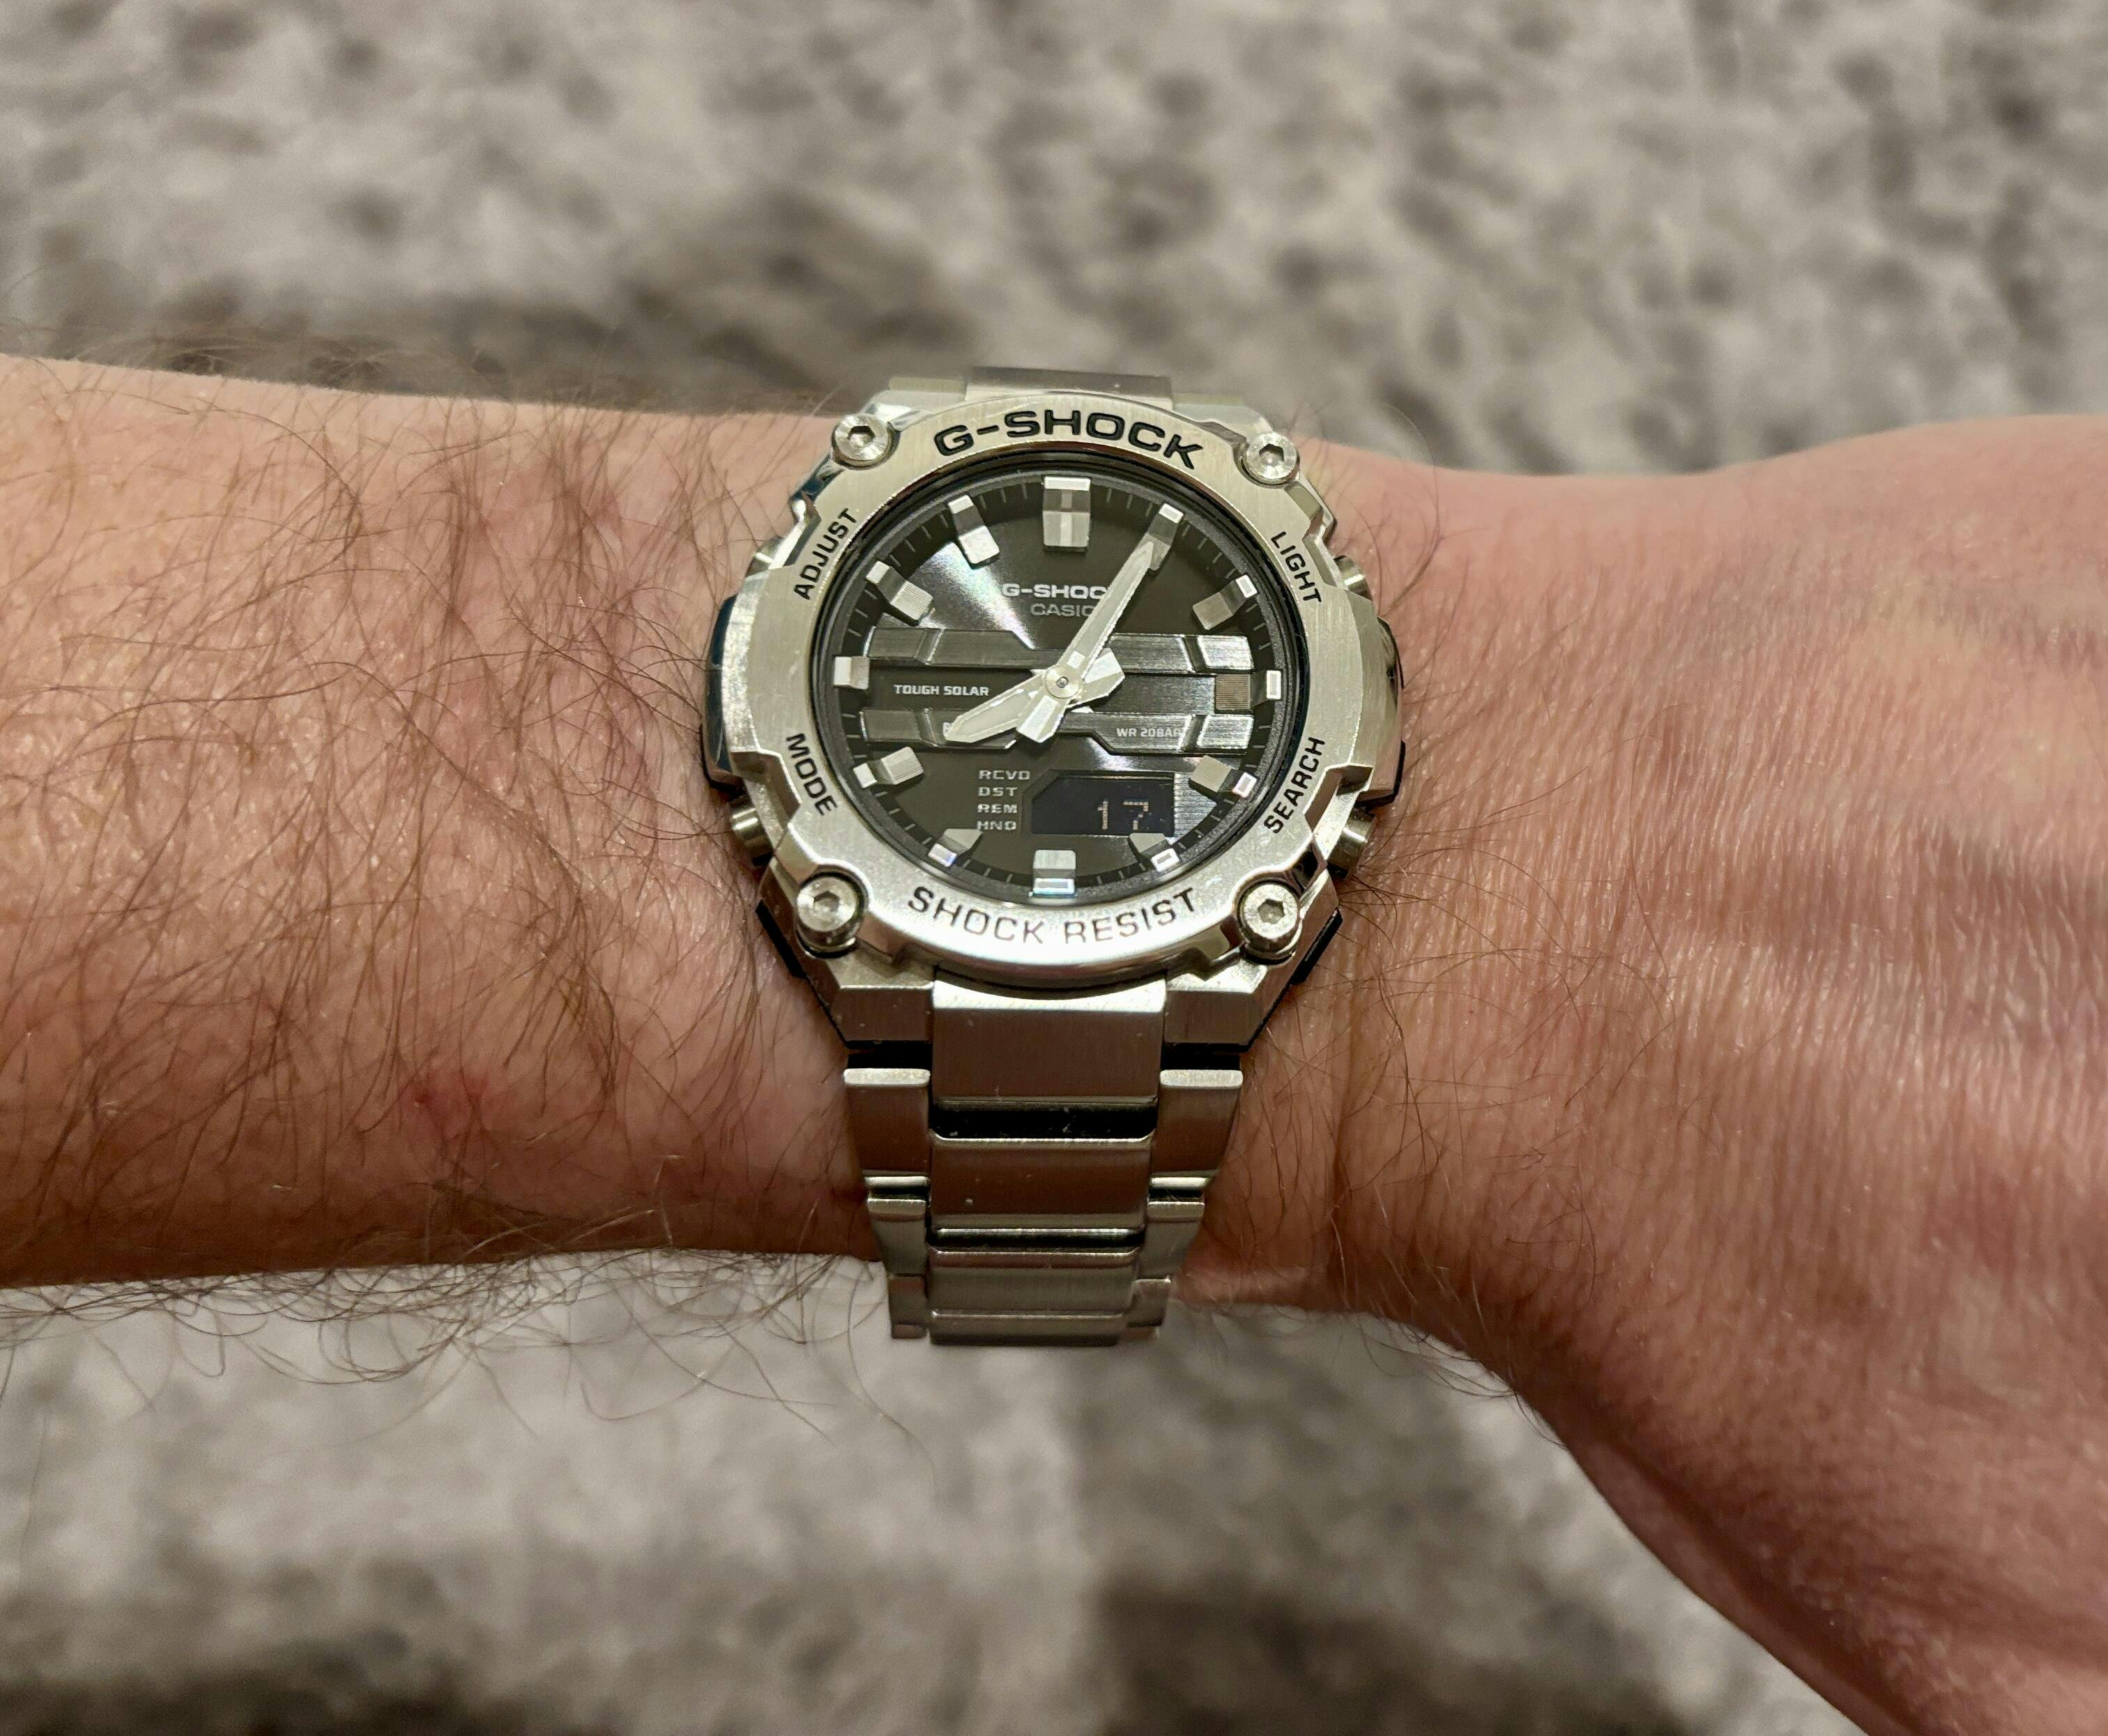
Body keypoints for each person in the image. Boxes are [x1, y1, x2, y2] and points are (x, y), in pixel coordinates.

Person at [0, 352, 2098, 1736]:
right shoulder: (853, 686)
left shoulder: (1221, 689)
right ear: (749, 720)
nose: (1062, 700)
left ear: (1354, 751)